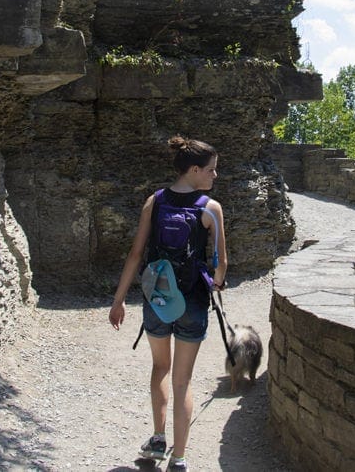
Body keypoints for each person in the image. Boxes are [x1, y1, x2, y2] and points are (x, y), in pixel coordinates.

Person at [109, 136, 228, 472]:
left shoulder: (155, 202)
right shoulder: (210, 208)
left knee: (160, 368)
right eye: (210, 170)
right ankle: (179, 458)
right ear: (193, 170)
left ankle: (159, 437)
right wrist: (216, 283)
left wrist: (118, 301)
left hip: (157, 299)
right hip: (191, 301)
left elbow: (135, 254)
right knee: (182, 380)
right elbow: (221, 264)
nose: (214, 176)